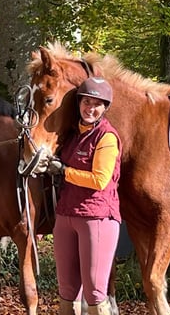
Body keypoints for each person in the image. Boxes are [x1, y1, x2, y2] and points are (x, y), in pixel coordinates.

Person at [47, 77, 122, 315]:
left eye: (97, 104)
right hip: (66, 214)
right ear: (79, 103)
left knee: (95, 292)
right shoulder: (71, 134)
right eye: (86, 102)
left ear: (105, 108)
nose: (90, 108)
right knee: (67, 290)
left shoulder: (107, 137)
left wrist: (64, 171)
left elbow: (100, 180)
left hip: (96, 217)